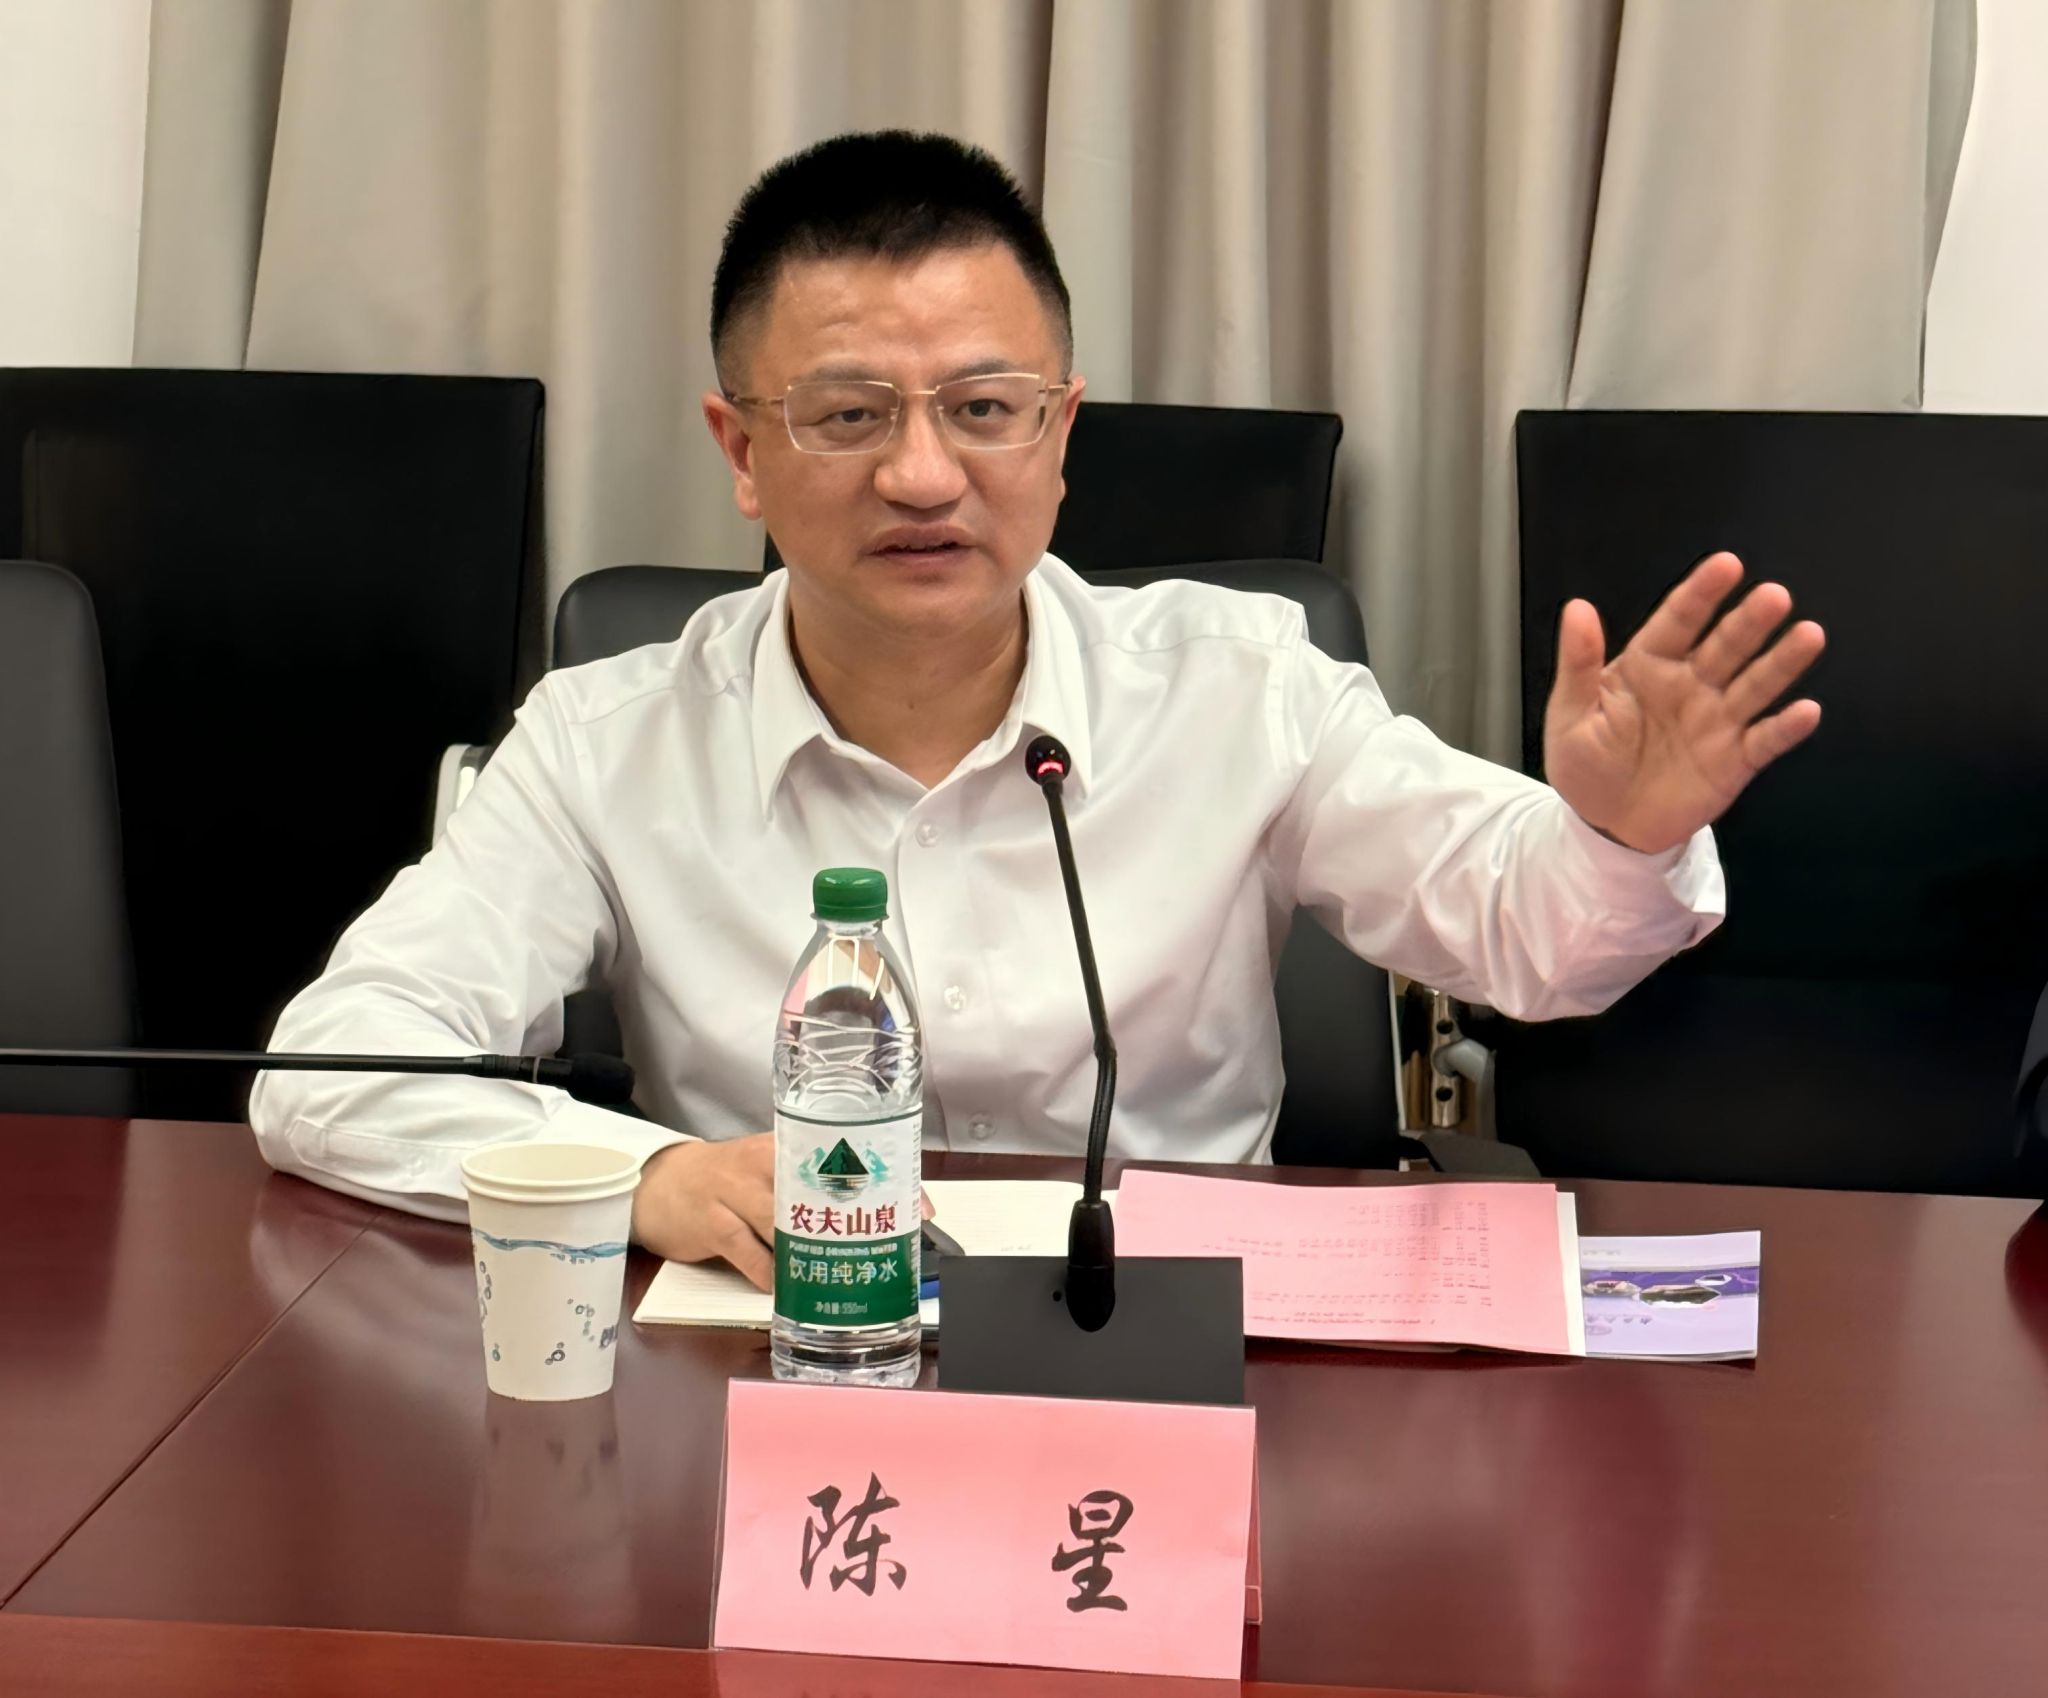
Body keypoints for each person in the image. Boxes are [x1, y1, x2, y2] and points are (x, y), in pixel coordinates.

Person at [250, 131, 1824, 1291]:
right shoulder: (607, 741)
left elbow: (1535, 941)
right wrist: (646, 1176)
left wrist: (1621, 833)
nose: (922, 472)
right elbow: (333, 1075)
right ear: (741, 451)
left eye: (985, 408)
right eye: (848, 413)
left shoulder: (1242, 686)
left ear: (1061, 435)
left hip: (1172, 1359)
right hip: (779, 1356)